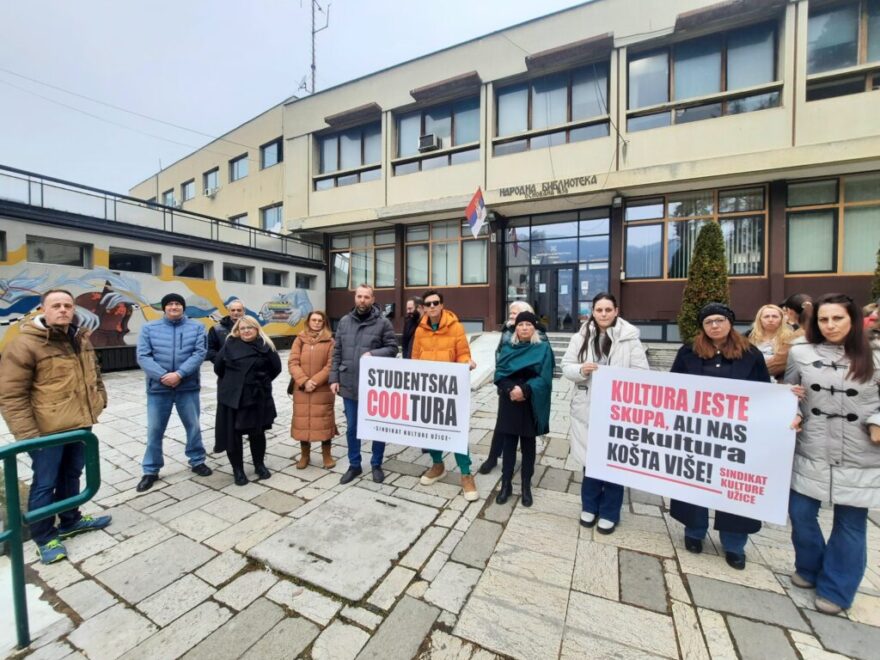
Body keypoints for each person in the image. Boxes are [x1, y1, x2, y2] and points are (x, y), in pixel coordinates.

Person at [784, 293, 880, 615]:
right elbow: (790, 392)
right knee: (800, 513)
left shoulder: (876, 356)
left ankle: (837, 589)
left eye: (837, 318)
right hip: (811, 447)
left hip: (859, 453)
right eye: (824, 319)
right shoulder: (800, 353)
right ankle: (809, 568)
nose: (830, 325)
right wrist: (790, 408)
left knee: (849, 524)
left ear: (852, 320)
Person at [0, 289, 112, 564]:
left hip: (80, 424)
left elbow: (94, 374)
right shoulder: (25, 344)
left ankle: (71, 519)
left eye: (67, 305)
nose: (63, 310)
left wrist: (100, 400)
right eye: (56, 305)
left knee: (73, 473)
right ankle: (44, 536)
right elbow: (11, 395)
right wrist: (29, 437)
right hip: (46, 431)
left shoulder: (80, 338)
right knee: (44, 483)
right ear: (43, 310)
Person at [670, 302, 770, 570]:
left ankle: (734, 543)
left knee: (734, 486)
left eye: (719, 320)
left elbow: (765, 392)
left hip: (736, 434)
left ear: (730, 322)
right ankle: (694, 531)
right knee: (696, 481)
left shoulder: (750, 353)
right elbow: (671, 389)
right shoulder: (688, 352)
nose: (714, 325)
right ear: (702, 326)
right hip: (697, 431)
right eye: (708, 322)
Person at [561, 292, 649, 534]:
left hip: (618, 408)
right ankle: (589, 506)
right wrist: (581, 369)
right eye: (598, 310)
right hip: (588, 405)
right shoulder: (581, 336)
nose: (603, 314)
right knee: (591, 460)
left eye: (607, 310)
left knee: (614, 460)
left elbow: (643, 373)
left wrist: (620, 378)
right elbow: (566, 366)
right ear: (593, 311)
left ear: (616, 311)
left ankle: (610, 511)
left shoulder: (630, 339)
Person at [135, 293, 212, 492]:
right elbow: (143, 356)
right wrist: (163, 376)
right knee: (154, 430)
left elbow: (199, 353)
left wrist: (179, 374)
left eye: (178, 304)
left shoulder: (197, 328)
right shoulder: (149, 328)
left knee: (193, 426)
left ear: (183, 307)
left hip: (187, 386)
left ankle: (197, 460)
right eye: (170, 304)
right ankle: (151, 470)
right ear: (164, 308)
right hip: (158, 389)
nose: (174, 307)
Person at [412, 290, 479, 502]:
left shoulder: (456, 326)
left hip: (450, 390)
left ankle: (466, 474)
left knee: (455, 431)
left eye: (436, 303)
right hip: (427, 389)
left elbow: (463, 353)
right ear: (423, 307)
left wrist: (467, 362)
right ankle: (437, 464)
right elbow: (415, 357)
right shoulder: (420, 329)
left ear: (442, 305)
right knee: (430, 429)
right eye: (428, 303)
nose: (432, 306)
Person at [330, 285, 398, 484]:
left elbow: (393, 348)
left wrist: (373, 354)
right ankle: (355, 464)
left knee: (377, 427)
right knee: (352, 428)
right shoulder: (344, 321)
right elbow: (337, 352)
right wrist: (334, 378)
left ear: (372, 299)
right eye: (359, 296)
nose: (362, 300)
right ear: (355, 298)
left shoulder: (383, 322)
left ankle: (376, 463)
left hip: (374, 387)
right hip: (349, 384)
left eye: (366, 297)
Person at [493, 311, 554, 507]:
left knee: (528, 445)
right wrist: (510, 389)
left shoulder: (543, 348)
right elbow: (500, 373)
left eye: (528, 324)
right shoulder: (508, 347)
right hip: (509, 400)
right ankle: (506, 484)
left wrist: (525, 389)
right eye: (520, 324)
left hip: (530, 401)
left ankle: (526, 485)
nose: (524, 328)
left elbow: (545, 377)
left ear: (534, 328)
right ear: (515, 328)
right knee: (509, 444)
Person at [478, 301, 546, 474]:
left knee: (525, 430)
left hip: (527, 389)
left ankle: (526, 467)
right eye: (510, 314)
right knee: (503, 424)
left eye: (515, 313)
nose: (511, 317)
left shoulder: (539, 335)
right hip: (506, 385)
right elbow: (499, 353)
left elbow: (541, 367)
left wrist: (524, 389)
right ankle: (493, 457)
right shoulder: (507, 331)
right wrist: (503, 382)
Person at [214, 316, 282, 485]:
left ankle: (259, 465)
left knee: (257, 433)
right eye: (242, 328)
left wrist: (259, 381)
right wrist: (235, 384)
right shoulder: (229, 344)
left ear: (256, 329)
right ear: (237, 330)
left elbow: (276, 368)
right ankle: (238, 470)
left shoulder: (266, 345)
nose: (246, 331)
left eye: (249, 328)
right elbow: (218, 368)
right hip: (233, 397)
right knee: (234, 435)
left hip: (256, 396)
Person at [289, 311, 338, 470]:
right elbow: (293, 362)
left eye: (320, 320)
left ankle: (326, 455)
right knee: (303, 421)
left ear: (324, 323)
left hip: (322, 389)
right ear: (308, 322)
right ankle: (305, 455)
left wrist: (314, 381)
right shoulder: (299, 339)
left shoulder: (330, 341)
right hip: (302, 389)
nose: (316, 323)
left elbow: (331, 365)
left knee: (324, 421)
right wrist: (304, 381)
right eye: (314, 320)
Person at [747, 303, 799, 381]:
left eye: (775, 316)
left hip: (782, 382)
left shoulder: (791, 338)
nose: (770, 320)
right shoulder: (748, 338)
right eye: (766, 316)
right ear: (760, 319)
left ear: (781, 319)